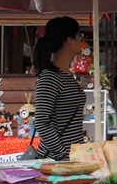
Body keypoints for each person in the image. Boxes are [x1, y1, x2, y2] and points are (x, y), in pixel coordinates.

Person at [33, 16, 86, 160]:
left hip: (74, 156)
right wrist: (63, 154)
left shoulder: (66, 75)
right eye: (79, 35)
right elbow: (42, 121)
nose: (81, 40)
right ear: (69, 40)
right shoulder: (50, 77)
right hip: (57, 160)